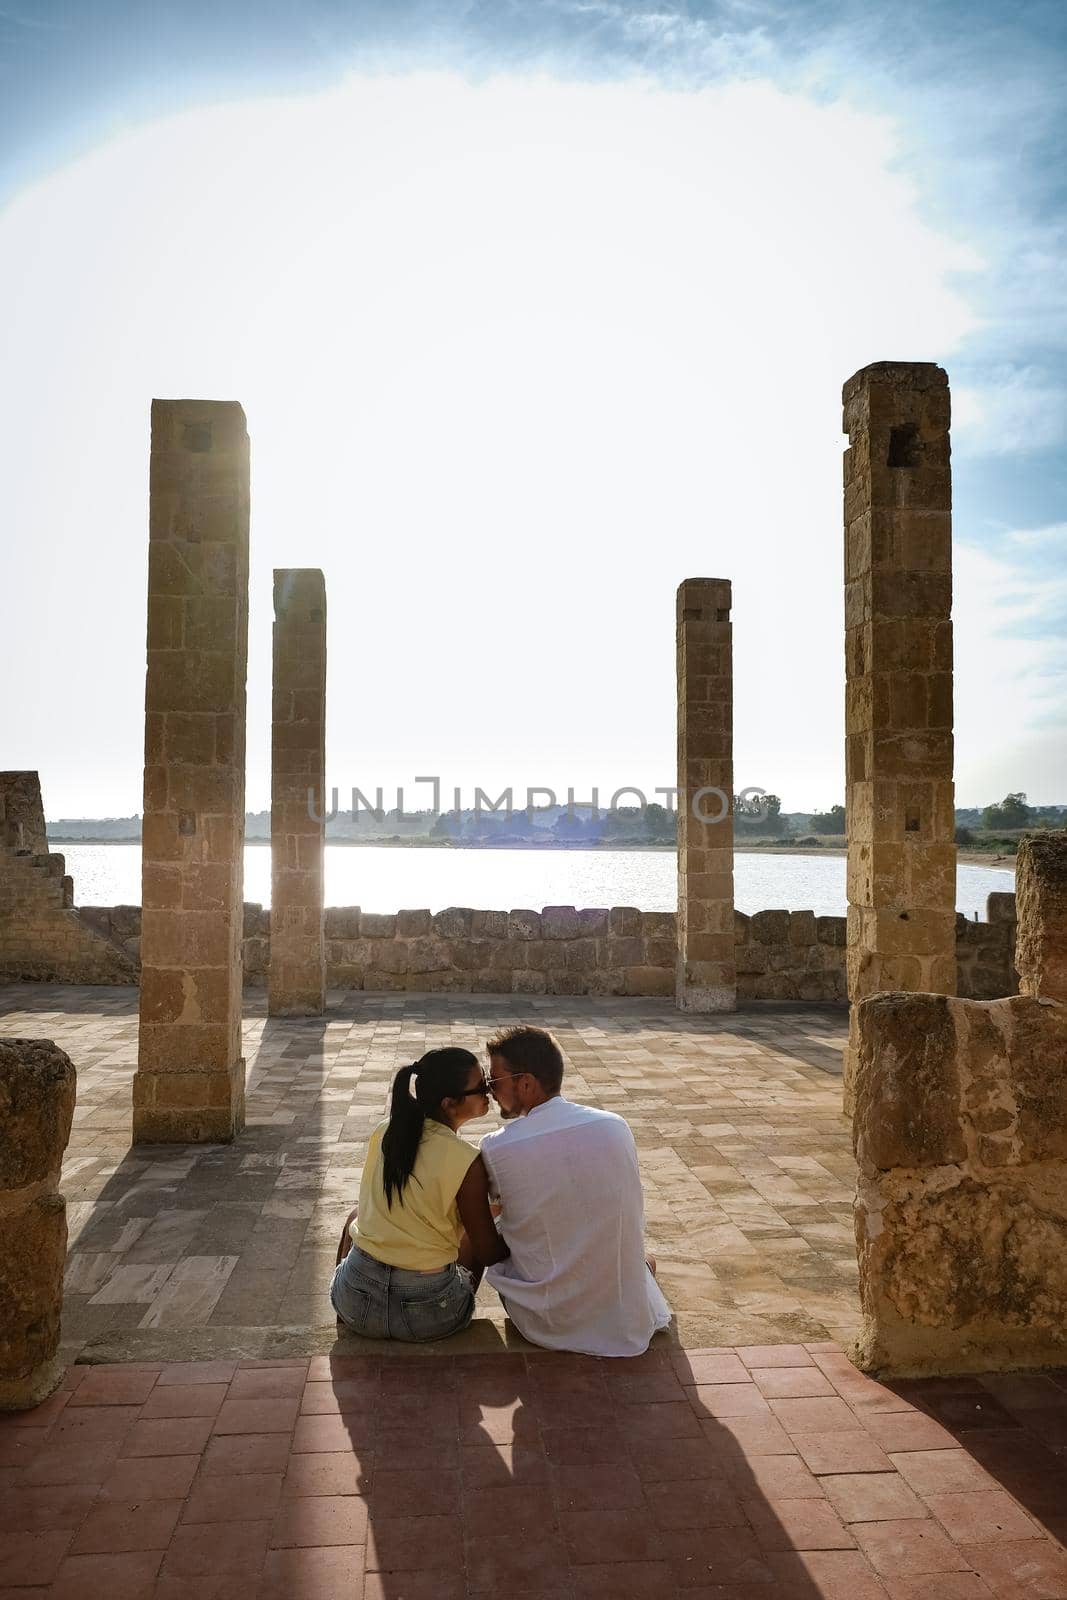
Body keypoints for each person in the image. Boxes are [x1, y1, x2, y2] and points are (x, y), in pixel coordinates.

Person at [480, 1024, 671, 1357]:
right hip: (623, 1320)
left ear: (525, 1083)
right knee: (637, 1252)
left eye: (495, 1082)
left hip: (546, 1322)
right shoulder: (614, 1125)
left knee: (496, 1221)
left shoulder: (498, 1147)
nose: (491, 1092)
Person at [331, 1047, 507, 1341]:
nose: (488, 1090)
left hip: (355, 1305)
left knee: (356, 1216)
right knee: (477, 1234)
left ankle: (345, 1332)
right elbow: (488, 1251)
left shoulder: (386, 1130)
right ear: (450, 1104)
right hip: (428, 1316)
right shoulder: (466, 1159)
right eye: (480, 1087)